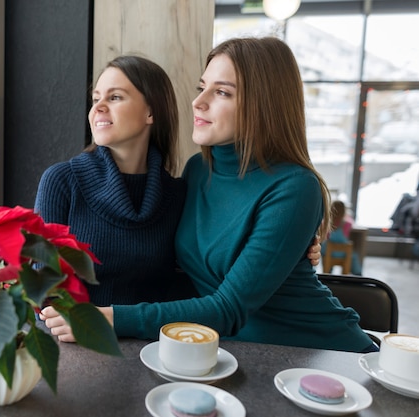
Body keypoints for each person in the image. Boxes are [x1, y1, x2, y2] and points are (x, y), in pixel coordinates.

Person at [41, 38, 376, 353]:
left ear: (263, 105)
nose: (198, 101)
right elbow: (181, 271)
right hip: (232, 350)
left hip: (317, 351)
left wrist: (109, 319)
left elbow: (228, 306)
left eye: (222, 92)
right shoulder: (198, 172)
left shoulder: (295, 187)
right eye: (202, 88)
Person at [35, 55, 321, 307]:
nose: (97, 108)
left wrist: (294, 249)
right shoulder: (62, 182)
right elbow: (38, 286)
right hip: (78, 338)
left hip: (155, 342)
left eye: (115, 97)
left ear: (151, 112)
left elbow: (194, 274)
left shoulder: (177, 191)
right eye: (96, 98)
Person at [322, 200, 362, 275]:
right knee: (354, 256)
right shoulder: (347, 224)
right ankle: (358, 274)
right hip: (343, 253)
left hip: (328, 251)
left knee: (323, 250)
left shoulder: (326, 222)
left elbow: (325, 237)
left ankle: (327, 272)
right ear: (344, 211)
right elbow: (351, 222)